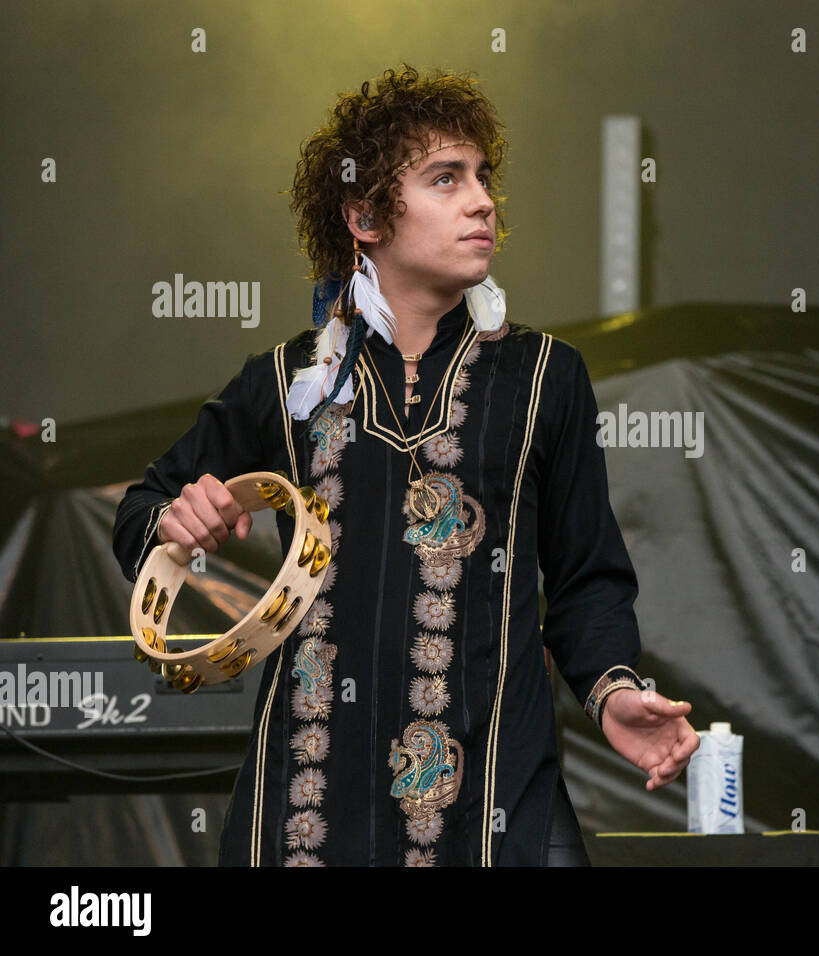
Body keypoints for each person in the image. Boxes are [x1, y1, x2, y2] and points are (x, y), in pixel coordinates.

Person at [111, 65, 699, 866]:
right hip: (309, 810)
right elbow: (146, 505)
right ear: (363, 215)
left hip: (498, 799)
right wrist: (180, 524)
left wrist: (615, 693)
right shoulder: (284, 384)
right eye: (445, 179)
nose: (483, 200)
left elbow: (587, 578)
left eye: (483, 177)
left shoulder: (544, 379)